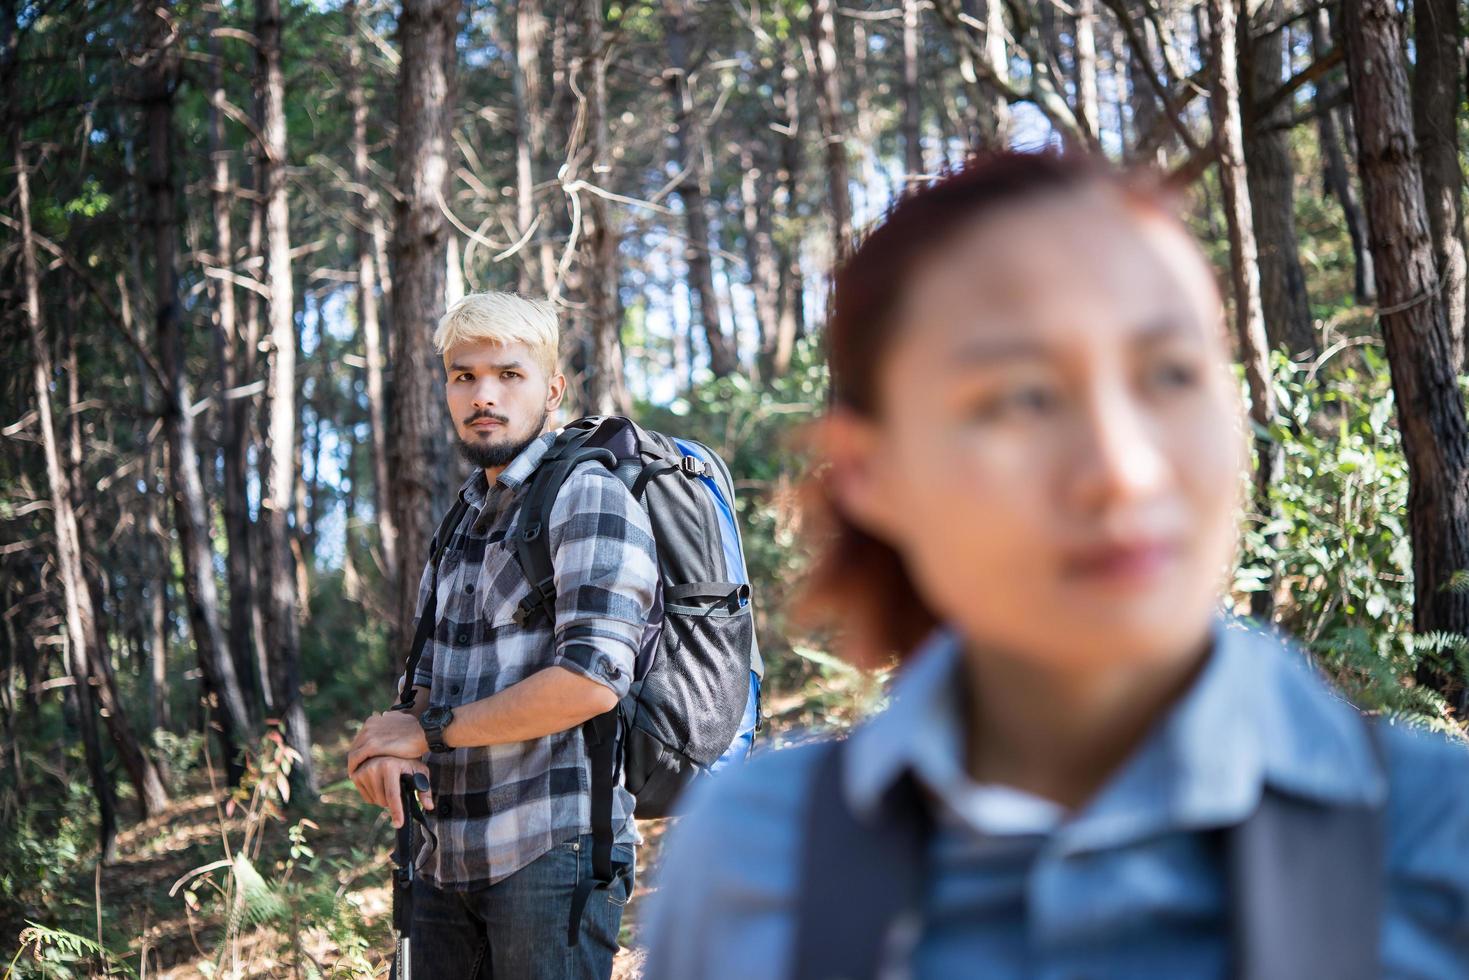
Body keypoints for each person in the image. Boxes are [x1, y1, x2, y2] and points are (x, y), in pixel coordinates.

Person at [640, 152, 1469, 979]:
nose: (1123, 469)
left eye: (1171, 374)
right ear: (868, 474)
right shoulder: (756, 860)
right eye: (1022, 397)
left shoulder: (1443, 837)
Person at [346, 292, 656, 978]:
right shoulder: (463, 516)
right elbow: (425, 686)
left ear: (551, 389)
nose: (483, 394)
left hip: (550, 853)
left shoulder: (586, 494)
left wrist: (427, 733)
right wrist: (388, 747)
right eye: (464, 375)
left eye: (508, 375)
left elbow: (590, 682)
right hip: (444, 857)